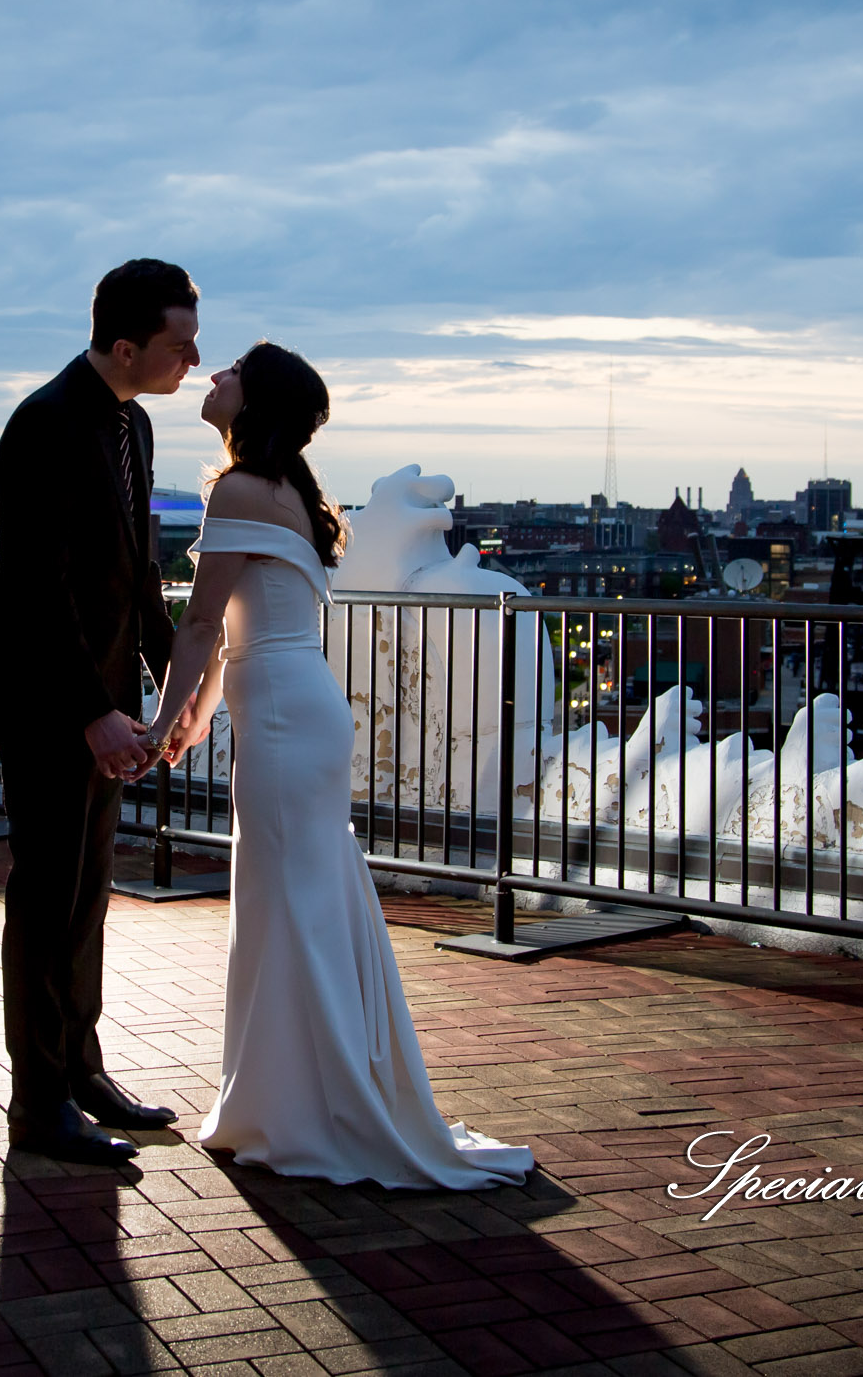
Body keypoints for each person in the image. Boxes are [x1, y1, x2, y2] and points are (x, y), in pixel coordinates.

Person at [142, 341, 533, 1190]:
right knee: (305, 894)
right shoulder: (288, 492)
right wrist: (199, 717)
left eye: (231, 373)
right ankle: (307, 1095)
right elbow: (247, 625)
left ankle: (298, 1109)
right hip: (299, 703)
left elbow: (204, 626)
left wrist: (161, 722)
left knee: (285, 899)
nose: (214, 379)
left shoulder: (240, 488)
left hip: (281, 710)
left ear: (255, 404)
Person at [0, 258, 198, 1167]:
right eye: (179, 343)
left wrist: (160, 683)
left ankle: (81, 1071)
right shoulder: (44, 421)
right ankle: (37, 1104)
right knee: (46, 894)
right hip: (44, 699)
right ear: (124, 344)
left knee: (89, 893)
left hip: (107, 699)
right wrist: (92, 711)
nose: (192, 358)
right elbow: (37, 584)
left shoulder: (132, 425)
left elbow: (138, 571)